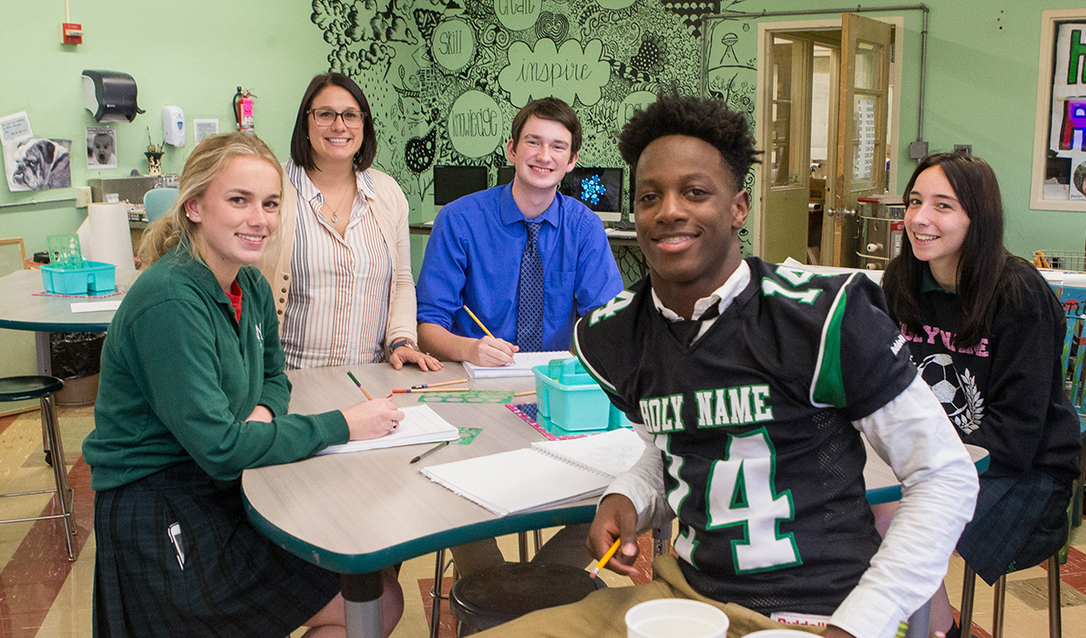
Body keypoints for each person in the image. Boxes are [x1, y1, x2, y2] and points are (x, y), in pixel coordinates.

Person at [469, 94, 978, 638]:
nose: (669, 210)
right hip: (685, 595)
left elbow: (944, 475)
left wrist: (860, 623)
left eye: (694, 192)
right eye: (649, 195)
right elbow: (673, 450)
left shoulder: (826, 316)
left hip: (822, 608)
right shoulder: (614, 334)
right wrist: (627, 496)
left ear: (738, 206)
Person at [83, 132, 405, 637]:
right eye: (239, 200)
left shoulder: (249, 283)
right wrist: (343, 424)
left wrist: (262, 415)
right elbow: (219, 448)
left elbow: (274, 378)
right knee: (371, 596)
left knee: (373, 586)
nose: (259, 219)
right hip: (159, 505)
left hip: (221, 486)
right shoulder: (170, 302)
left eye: (270, 203)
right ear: (193, 206)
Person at [880, 153, 1083, 635]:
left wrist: (924, 468)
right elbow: (879, 391)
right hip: (930, 461)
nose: (920, 218)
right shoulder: (900, 282)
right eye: (914, 201)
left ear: (978, 219)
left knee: (897, 516)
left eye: (943, 206)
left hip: (1023, 472)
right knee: (837, 499)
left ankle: (937, 630)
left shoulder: (1018, 295)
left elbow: (1015, 435)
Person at [415, 97, 623, 367]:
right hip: (470, 374)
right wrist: (469, 349)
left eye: (558, 147)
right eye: (533, 142)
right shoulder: (459, 220)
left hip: (551, 378)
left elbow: (606, 322)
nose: (544, 156)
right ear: (512, 150)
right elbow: (427, 327)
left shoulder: (584, 228)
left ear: (572, 160)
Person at [257, 72, 441, 372]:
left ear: (364, 126)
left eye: (351, 115)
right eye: (325, 114)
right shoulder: (272, 187)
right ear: (305, 123)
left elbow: (403, 281)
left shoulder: (387, 192)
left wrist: (402, 340)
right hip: (287, 377)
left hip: (371, 376)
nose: (339, 125)